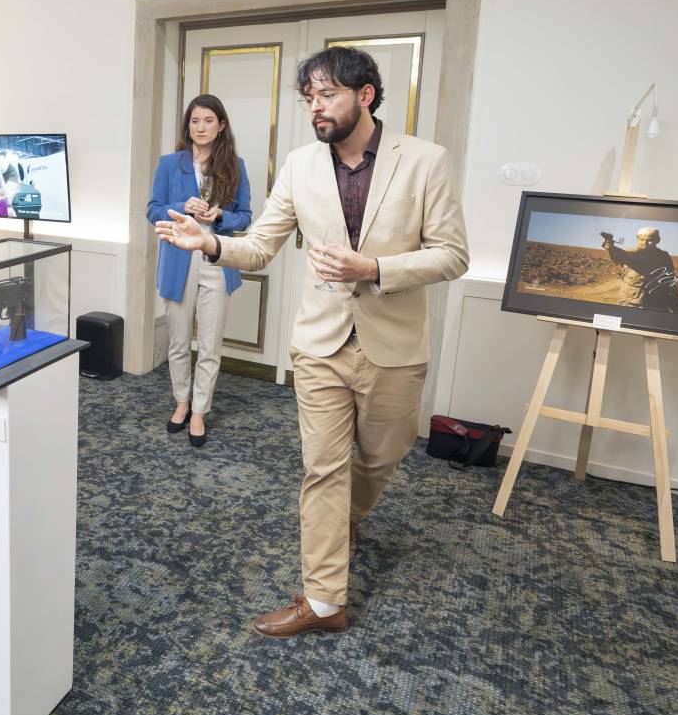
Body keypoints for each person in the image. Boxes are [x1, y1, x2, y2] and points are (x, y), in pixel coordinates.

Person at [156, 46, 468, 637]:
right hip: (320, 344)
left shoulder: (426, 161)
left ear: (365, 95)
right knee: (323, 469)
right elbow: (261, 246)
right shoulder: (300, 165)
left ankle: (346, 519)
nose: (316, 108)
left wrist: (374, 268)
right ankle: (325, 601)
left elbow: (452, 255)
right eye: (309, 98)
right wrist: (212, 243)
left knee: (383, 455)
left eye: (327, 95)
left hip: (394, 346)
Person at [145, 94, 253, 446]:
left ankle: (199, 411)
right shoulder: (168, 164)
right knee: (178, 340)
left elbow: (245, 217)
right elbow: (152, 211)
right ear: (187, 126)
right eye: (195, 121)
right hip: (178, 260)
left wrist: (220, 215)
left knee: (209, 343)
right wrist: (182, 206)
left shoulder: (235, 166)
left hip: (217, 260)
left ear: (221, 126)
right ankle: (181, 402)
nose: (201, 127)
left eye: (208, 120)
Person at [603, 227, 678, 312]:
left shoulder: (663, 256)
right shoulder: (632, 252)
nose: (645, 243)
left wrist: (676, 308)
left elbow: (670, 281)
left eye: (649, 240)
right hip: (631, 302)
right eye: (641, 239)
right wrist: (610, 247)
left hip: (656, 304)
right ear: (637, 238)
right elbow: (620, 254)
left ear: (657, 240)